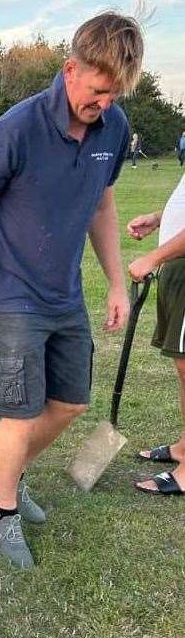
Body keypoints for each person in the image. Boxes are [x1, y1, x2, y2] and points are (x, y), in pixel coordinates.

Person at [0, 11, 144, 569]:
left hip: (64, 294)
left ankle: (4, 472)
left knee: (72, 402)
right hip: (8, 296)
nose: (104, 106)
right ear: (70, 69)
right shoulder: (16, 129)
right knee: (21, 414)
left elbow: (101, 204)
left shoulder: (115, 127)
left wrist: (114, 283)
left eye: (115, 96)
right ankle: (3, 513)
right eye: (98, 92)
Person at [126, 173, 185, 494]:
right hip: (178, 268)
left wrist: (154, 256)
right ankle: (184, 448)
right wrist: (160, 218)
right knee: (183, 367)